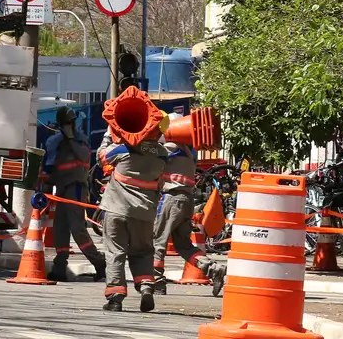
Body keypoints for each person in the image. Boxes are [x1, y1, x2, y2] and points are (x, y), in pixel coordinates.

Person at [97, 110, 168, 312]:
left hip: (116, 209)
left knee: (115, 252)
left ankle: (115, 298)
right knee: (143, 252)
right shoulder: (163, 154)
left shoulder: (122, 150)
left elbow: (101, 157)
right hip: (144, 213)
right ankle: (146, 287)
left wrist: (110, 134)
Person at [151, 139, 224, 295]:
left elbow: (150, 157)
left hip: (171, 198)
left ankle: (157, 282)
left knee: (157, 240)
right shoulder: (189, 151)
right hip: (186, 200)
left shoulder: (170, 148)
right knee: (183, 245)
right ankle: (213, 268)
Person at [41, 106, 106, 281]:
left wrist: (70, 139)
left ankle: (99, 262)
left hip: (75, 188)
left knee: (78, 229)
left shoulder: (80, 140)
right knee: (60, 229)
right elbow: (49, 165)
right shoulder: (54, 141)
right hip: (62, 190)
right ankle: (60, 267)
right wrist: (46, 185)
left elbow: (83, 156)